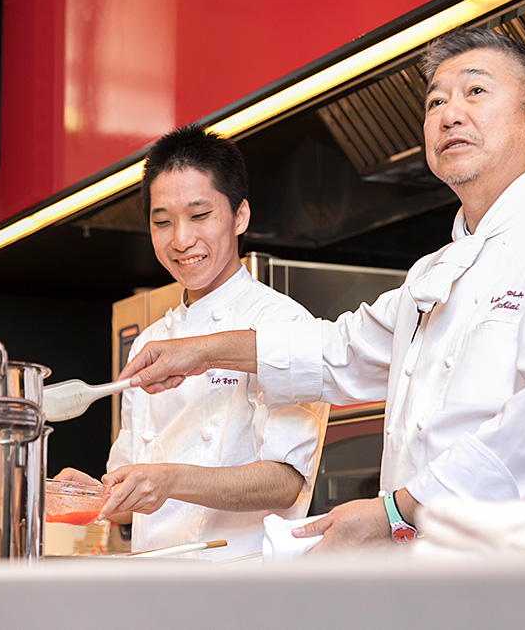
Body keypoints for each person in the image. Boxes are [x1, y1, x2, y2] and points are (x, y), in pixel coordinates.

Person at [118, 28, 525, 553]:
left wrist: (397, 510)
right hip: (431, 578)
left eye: (475, 91)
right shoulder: (434, 272)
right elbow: (337, 351)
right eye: (435, 101)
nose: (449, 113)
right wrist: (200, 350)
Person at [58, 124, 328, 561]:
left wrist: (168, 479)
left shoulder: (282, 323)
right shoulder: (149, 341)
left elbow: (285, 481)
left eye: (199, 216)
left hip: (240, 589)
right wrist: (93, 496)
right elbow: (130, 499)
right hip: (153, 589)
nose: (181, 240)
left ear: (240, 216)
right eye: (162, 222)